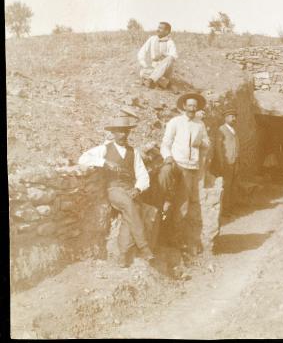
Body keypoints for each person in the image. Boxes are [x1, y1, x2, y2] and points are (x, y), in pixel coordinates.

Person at [78, 115, 154, 268]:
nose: (123, 135)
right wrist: (104, 162)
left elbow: (143, 175)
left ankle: (123, 255)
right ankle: (144, 247)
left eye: (126, 131)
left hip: (130, 190)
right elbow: (83, 159)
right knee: (129, 205)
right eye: (119, 132)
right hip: (114, 189)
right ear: (113, 133)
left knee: (132, 212)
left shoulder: (134, 152)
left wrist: (138, 189)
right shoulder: (104, 149)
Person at [158, 93, 210, 254]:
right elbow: (165, 143)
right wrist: (168, 158)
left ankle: (175, 241)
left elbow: (207, 143)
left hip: (190, 168)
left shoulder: (200, 124)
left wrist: (201, 142)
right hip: (175, 164)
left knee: (183, 205)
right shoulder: (175, 122)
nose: (192, 108)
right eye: (190, 105)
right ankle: (159, 236)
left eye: (195, 106)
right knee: (165, 197)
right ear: (184, 106)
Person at [214, 107, 241, 216]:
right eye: (231, 116)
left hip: (234, 162)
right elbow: (218, 147)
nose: (233, 119)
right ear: (225, 118)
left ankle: (230, 208)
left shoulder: (233, 131)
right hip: (226, 163)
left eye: (234, 117)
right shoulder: (221, 130)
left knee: (233, 186)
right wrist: (222, 162)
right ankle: (225, 210)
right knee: (227, 186)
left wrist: (238, 160)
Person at [138, 21, 178, 89]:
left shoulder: (170, 42)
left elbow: (174, 56)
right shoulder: (152, 39)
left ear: (167, 31)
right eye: (158, 27)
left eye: (160, 28)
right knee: (142, 72)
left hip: (165, 70)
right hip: (154, 68)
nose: (157, 30)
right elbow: (142, 51)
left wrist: (163, 54)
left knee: (170, 57)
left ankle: (151, 79)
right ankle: (166, 83)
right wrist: (144, 65)